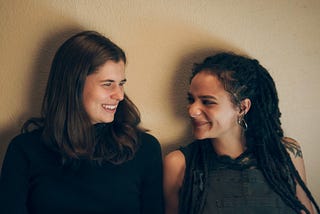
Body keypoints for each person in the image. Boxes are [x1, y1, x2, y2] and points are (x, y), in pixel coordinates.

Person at [0, 31, 163, 214]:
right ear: (74, 86)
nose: (120, 95)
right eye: (108, 84)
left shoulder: (145, 150)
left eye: (121, 83)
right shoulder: (24, 150)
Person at [163, 52, 319, 214]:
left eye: (207, 102)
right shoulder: (179, 164)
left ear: (242, 108)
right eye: (191, 100)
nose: (192, 110)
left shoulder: (287, 152)